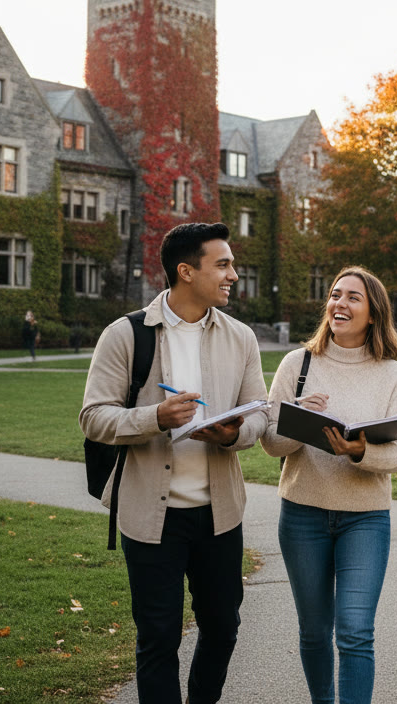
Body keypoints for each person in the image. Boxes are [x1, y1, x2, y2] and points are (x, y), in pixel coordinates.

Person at [79, 222, 269, 704]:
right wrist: (155, 417)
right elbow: (93, 418)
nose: (233, 274)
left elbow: (259, 415)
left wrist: (233, 433)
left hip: (219, 514)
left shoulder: (241, 337)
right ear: (186, 271)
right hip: (149, 516)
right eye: (222, 264)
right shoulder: (125, 335)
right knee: (158, 637)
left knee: (223, 627)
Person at [262, 266, 397, 704]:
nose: (340, 304)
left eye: (353, 298)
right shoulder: (298, 363)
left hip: (365, 519)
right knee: (313, 631)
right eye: (335, 295)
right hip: (303, 515)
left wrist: (358, 452)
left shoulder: (392, 374)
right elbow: (271, 444)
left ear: (373, 313)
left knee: (354, 631)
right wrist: (296, 416)